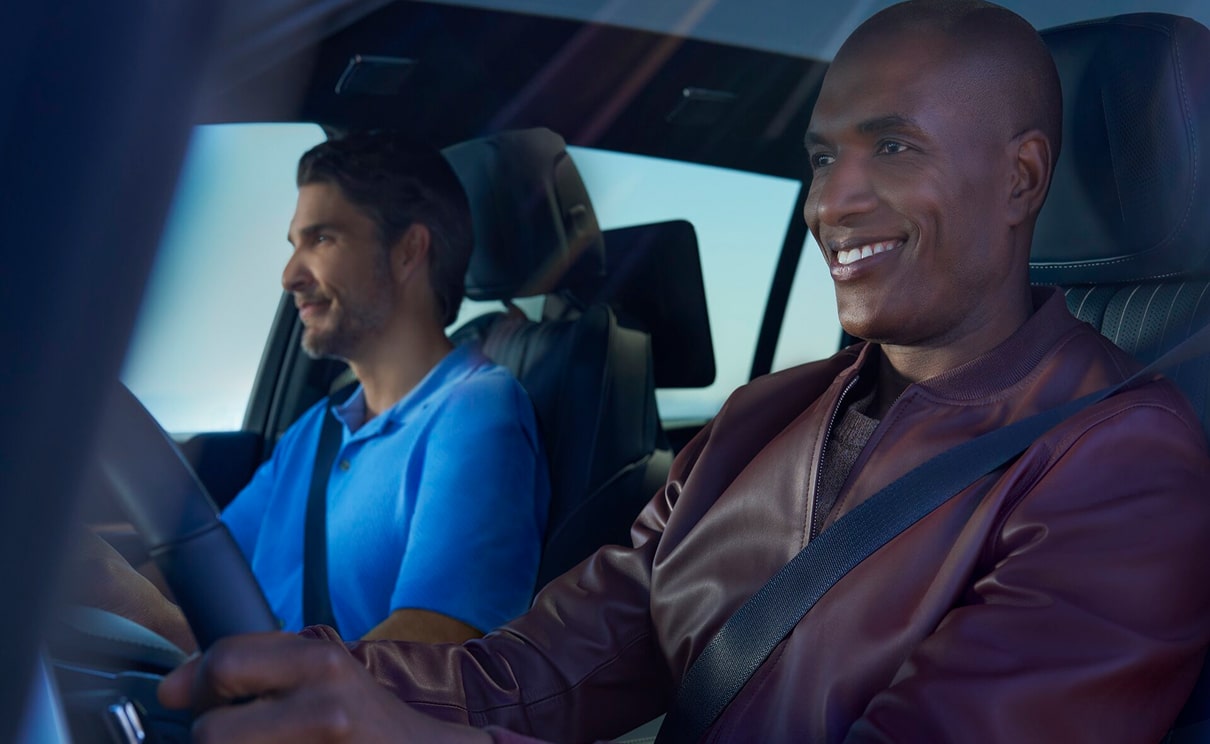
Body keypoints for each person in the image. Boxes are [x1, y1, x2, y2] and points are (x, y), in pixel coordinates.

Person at [158, 2, 1210, 742]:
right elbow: (529, 677)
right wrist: (303, 683)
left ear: (1022, 178)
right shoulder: (766, 418)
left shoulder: (1124, 463)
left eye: (891, 149)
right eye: (819, 156)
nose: (829, 202)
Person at [80, 132, 552, 650]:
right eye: (294, 245)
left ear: (408, 251)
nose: (289, 276)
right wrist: (96, 584)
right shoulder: (314, 432)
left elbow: (432, 662)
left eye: (322, 239)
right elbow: (200, 574)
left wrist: (164, 625)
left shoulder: (477, 416)